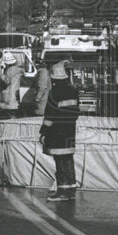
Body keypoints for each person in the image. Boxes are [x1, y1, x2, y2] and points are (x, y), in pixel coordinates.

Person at [39, 60, 80, 202]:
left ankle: (62, 190)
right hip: (69, 132)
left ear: (53, 77)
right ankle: (71, 189)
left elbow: (49, 116)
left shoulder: (54, 93)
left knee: (60, 162)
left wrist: (44, 132)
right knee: (68, 160)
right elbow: (75, 114)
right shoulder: (73, 91)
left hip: (56, 133)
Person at [0, 51, 23, 119]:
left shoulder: (10, 70)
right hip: (14, 95)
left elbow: (6, 80)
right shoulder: (16, 69)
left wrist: (0, 73)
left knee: (8, 116)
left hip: (9, 97)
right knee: (13, 115)